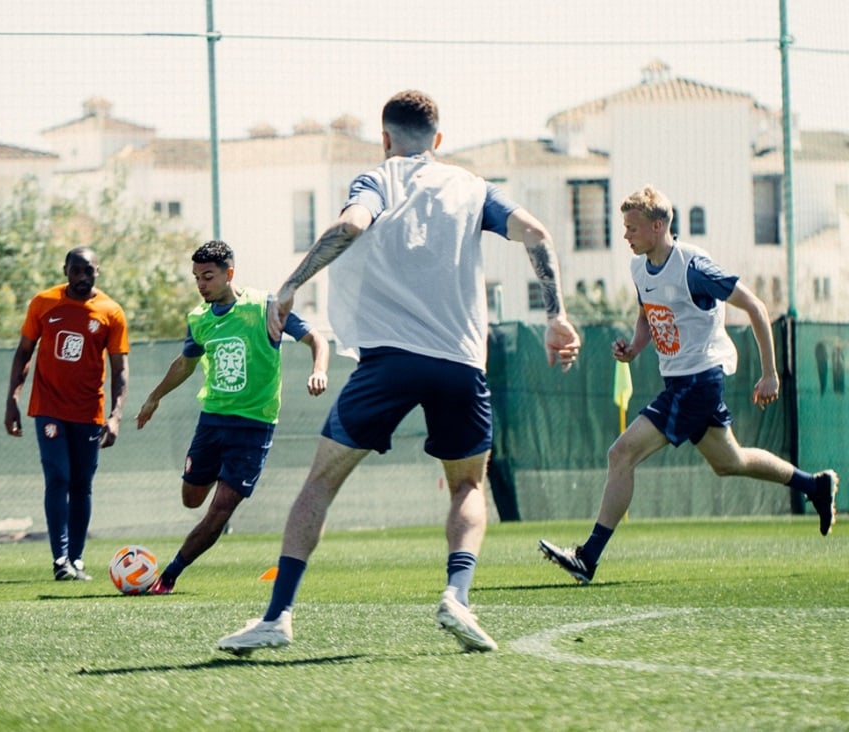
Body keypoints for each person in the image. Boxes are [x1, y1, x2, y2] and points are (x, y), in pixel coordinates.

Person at [215, 90, 581, 656]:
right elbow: (538, 235)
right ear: (438, 140)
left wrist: (290, 286)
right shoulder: (471, 186)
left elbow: (352, 227)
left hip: (388, 362)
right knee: (466, 485)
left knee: (320, 483)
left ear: (385, 138)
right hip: (460, 362)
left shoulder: (377, 178)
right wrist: (556, 315)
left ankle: (278, 616)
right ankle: (457, 596)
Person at [539, 185, 838, 584]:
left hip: (699, 381)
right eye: (625, 227)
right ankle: (815, 485)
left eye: (632, 227)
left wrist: (770, 373)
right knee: (729, 461)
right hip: (681, 380)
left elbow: (756, 307)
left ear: (658, 226)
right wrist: (634, 347)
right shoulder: (638, 267)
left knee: (621, 453)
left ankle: (587, 557)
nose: (625, 235)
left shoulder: (694, 267)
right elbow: (649, 314)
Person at [135, 240, 329, 595]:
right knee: (191, 499)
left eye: (208, 276)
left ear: (229, 274)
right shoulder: (199, 319)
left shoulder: (265, 308)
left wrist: (319, 370)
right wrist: (154, 397)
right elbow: (185, 363)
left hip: (254, 428)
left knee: (220, 509)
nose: (201, 284)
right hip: (212, 423)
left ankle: (170, 575)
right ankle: (215, 488)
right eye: (196, 277)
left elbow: (317, 338)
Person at [5, 246, 129, 582]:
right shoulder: (44, 303)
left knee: (82, 484)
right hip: (48, 408)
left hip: (89, 411)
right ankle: (60, 559)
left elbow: (119, 370)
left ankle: (77, 559)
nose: (81, 277)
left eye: (88, 270)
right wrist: (12, 400)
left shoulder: (111, 312)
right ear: (65, 271)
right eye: (76, 270)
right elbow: (23, 353)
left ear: (97, 272)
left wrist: (115, 416)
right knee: (57, 476)